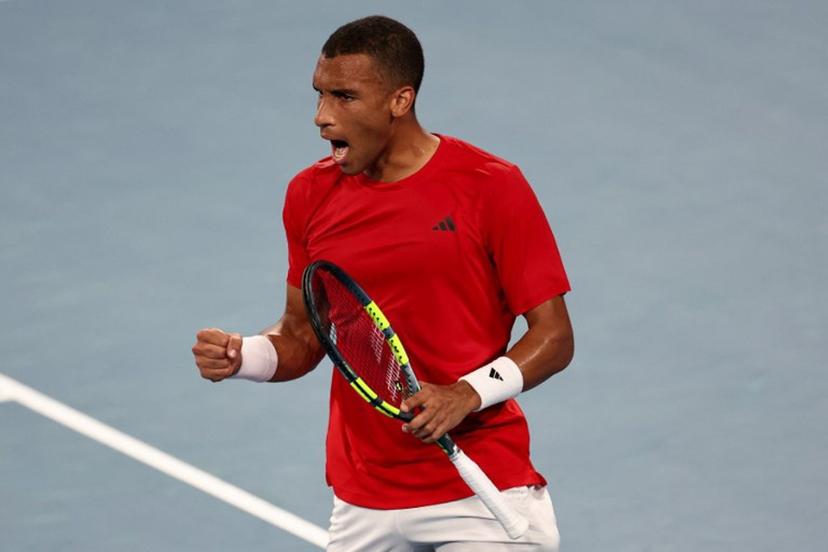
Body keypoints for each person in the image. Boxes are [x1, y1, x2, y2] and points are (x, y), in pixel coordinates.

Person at [192, 15, 573, 552]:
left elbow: (554, 338)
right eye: (320, 94)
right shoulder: (308, 195)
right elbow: (303, 335)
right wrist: (244, 356)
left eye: (344, 96)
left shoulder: (491, 187)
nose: (322, 117)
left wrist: (466, 393)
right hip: (364, 497)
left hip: (482, 493)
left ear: (400, 100)